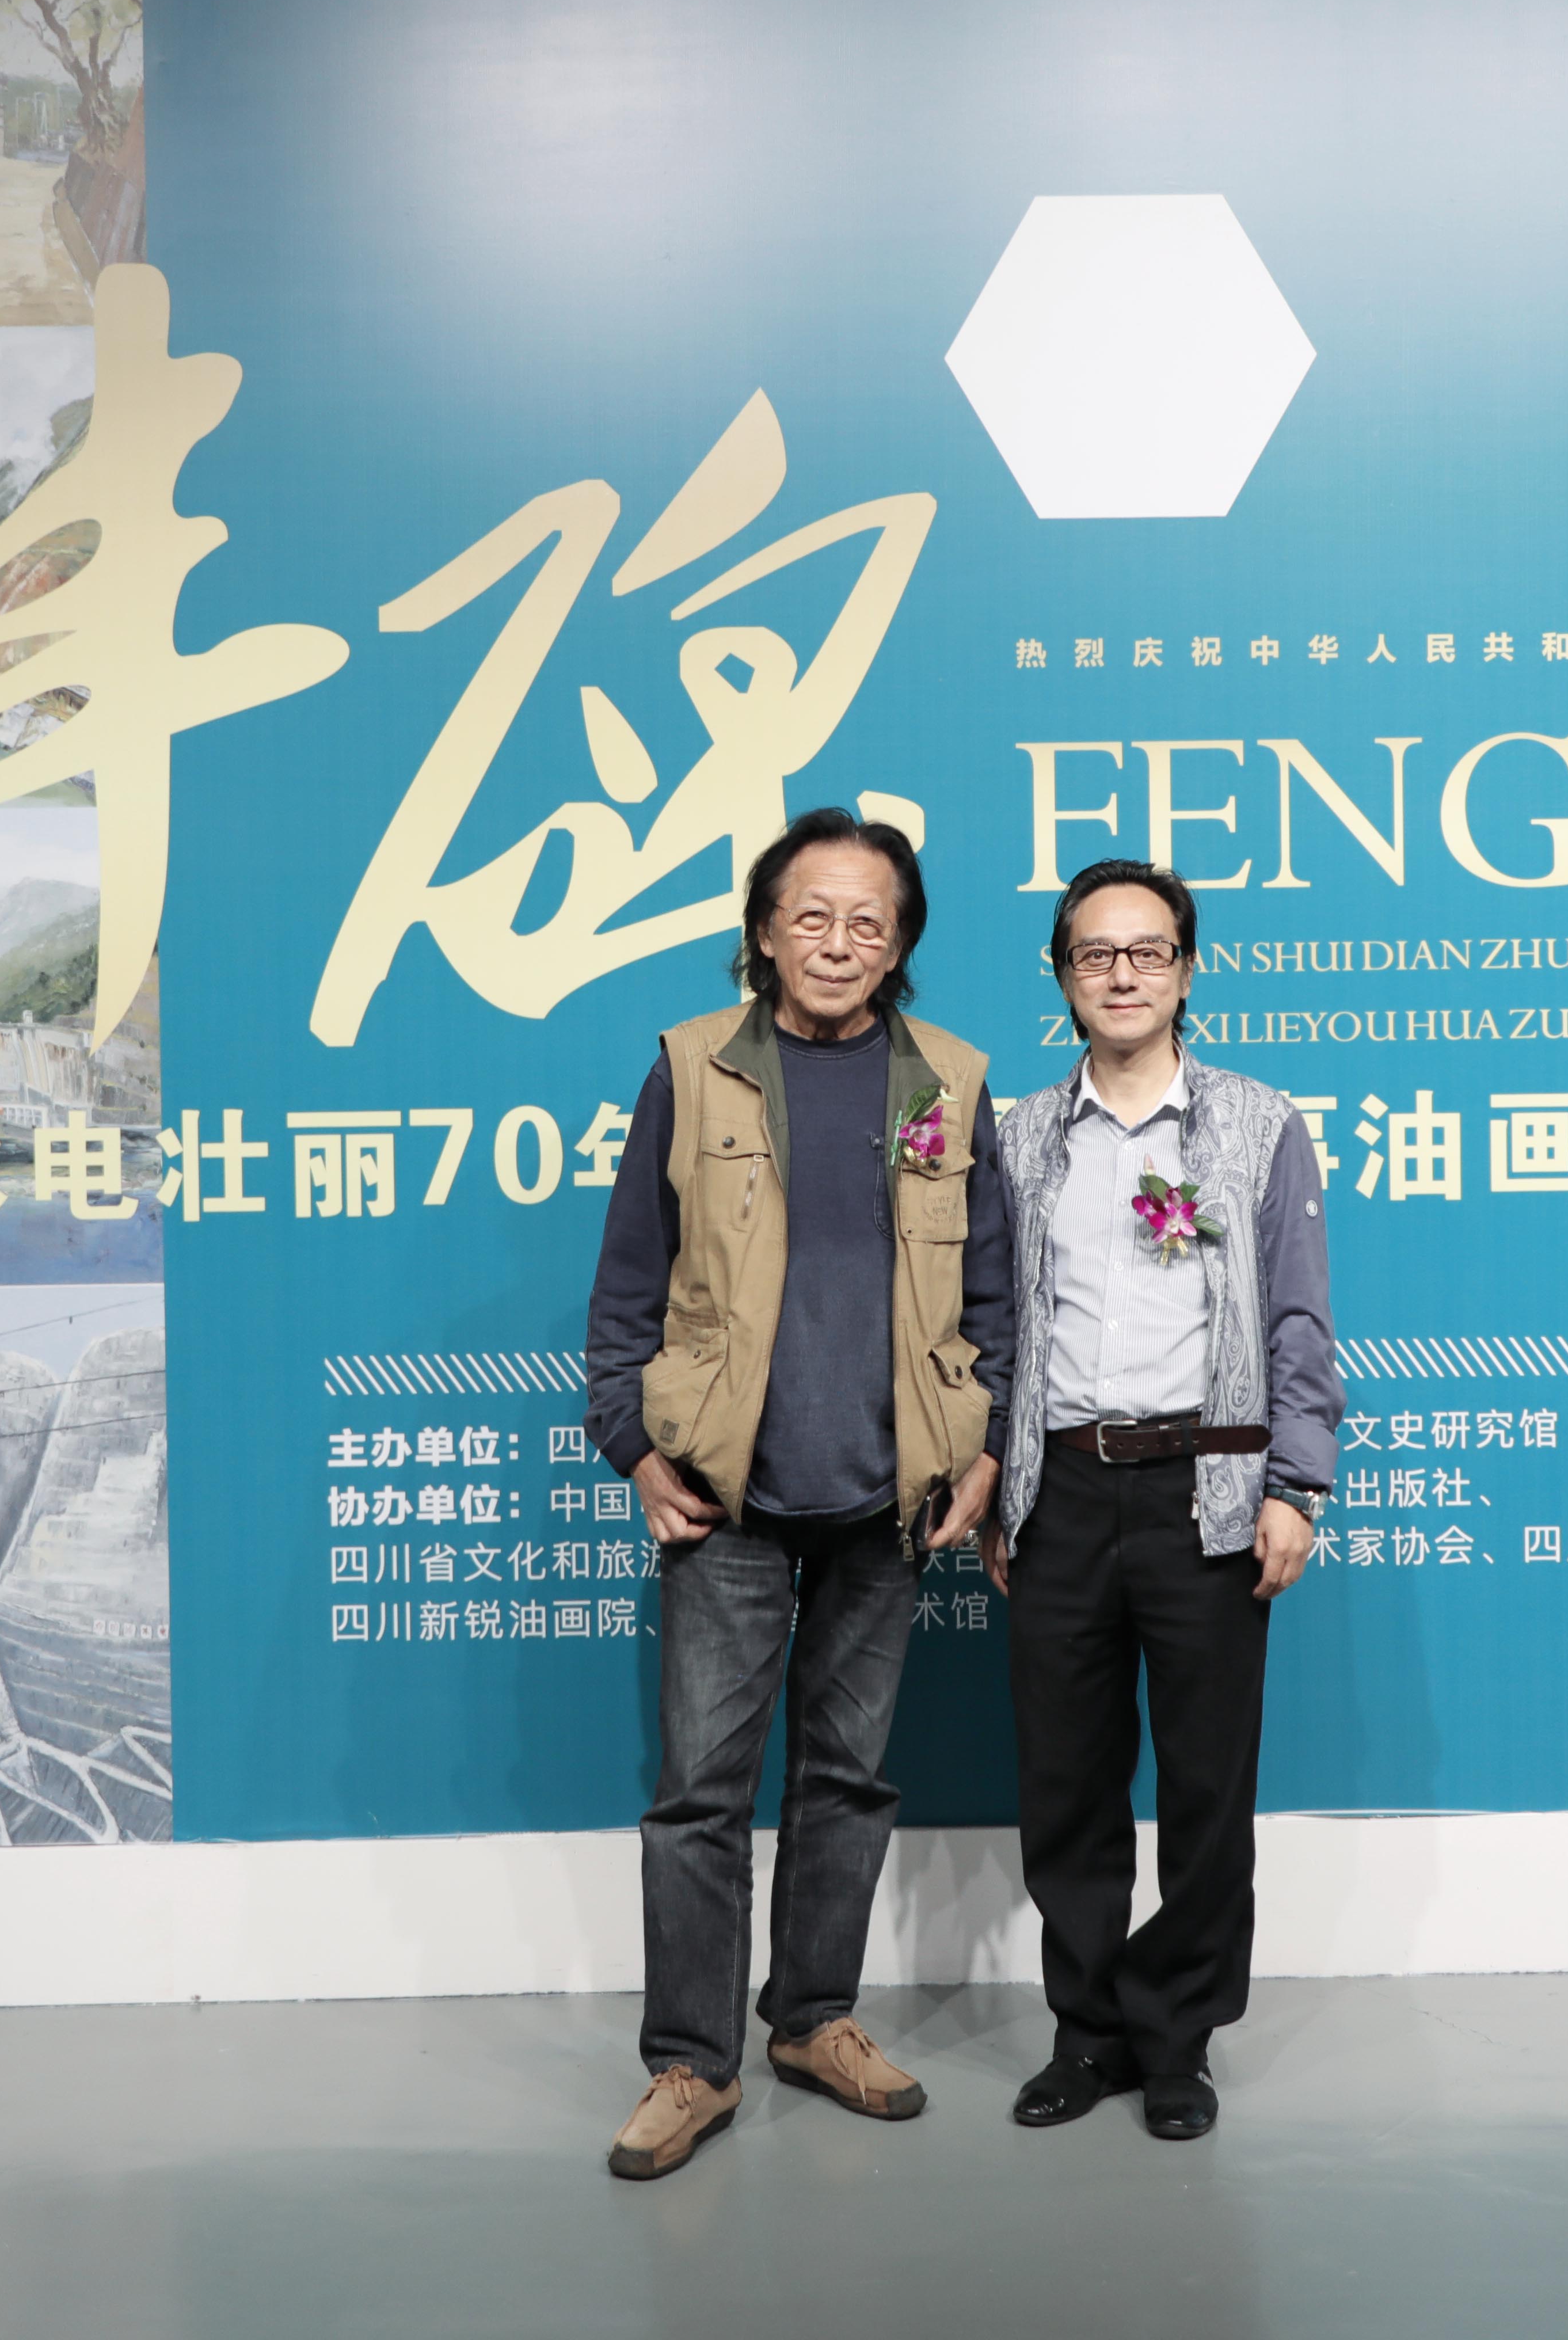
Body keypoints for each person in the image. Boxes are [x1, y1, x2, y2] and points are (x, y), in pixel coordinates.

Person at [584, 806, 1015, 2182]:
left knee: (848, 1779)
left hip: (889, 1497)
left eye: (868, 921)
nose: (838, 940)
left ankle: (813, 2017)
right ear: (764, 931)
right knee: (700, 1793)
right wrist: (633, 1448)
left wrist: (984, 1446)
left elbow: (992, 1290)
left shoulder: (950, 1078)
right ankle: (690, 2060)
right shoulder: (692, 1066)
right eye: (812, 915)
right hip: (727, 1495)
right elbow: (629, 1280)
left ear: (901, 945)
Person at [989, 857, 1339, 2142]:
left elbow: (1297, 1316)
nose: (1123, 973)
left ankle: (1177, 2035)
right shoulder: (1019, 1136)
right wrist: (995, 1484)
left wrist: (1296, 1482)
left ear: (1188, 971)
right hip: (1061, 1490)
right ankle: (1087, 2032)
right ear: (1063, 975)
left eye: (1149, 951)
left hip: (1212, 1484)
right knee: (1066, 1785)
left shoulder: (1256, 1122)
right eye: (1096, 953)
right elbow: (992, 1325)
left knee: (1205, 1786)